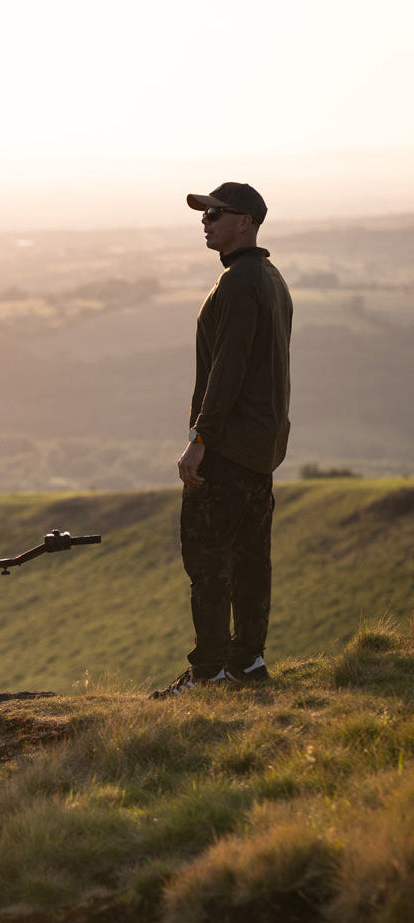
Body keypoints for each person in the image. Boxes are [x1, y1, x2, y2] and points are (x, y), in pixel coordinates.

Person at [151, 181, 292, 699]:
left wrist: (199, 439)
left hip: (228, 450)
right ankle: (248, 663)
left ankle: (207, 672)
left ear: (246, 222)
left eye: (216, 213)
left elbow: (228, 372)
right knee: (253, 559)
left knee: (208, 562)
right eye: (204, 213)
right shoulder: (270, 278)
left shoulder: (237, 285)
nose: (205, 221)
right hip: (260, 451)